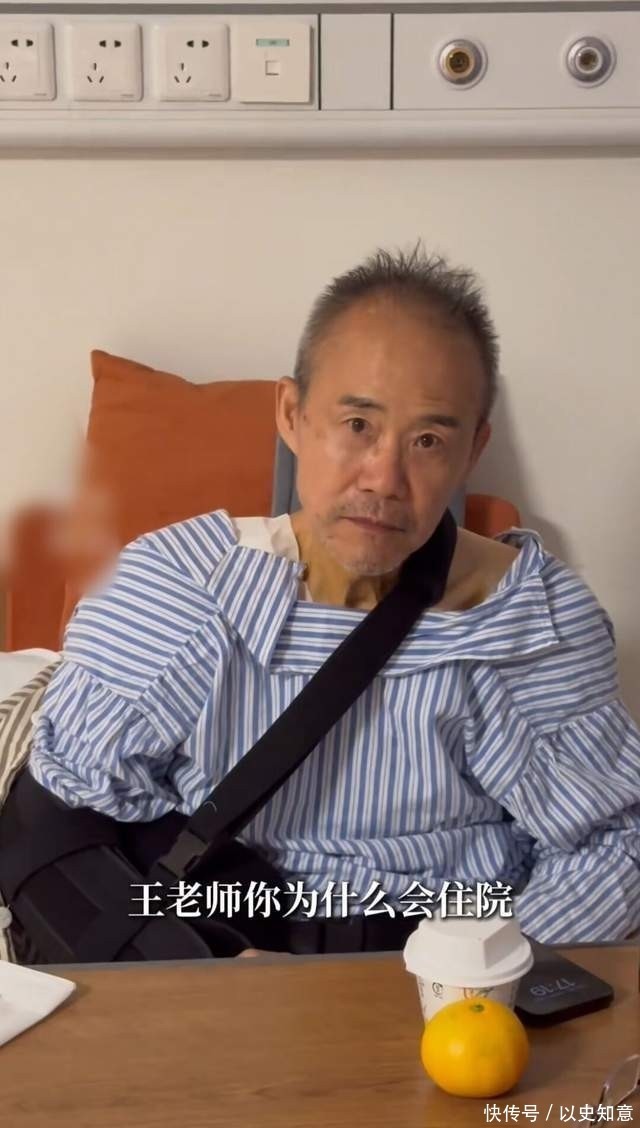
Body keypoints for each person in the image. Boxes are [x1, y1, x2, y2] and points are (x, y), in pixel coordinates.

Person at [26, 244, 640, 950]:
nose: (384, 479)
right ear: (292, 414)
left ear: (472, 450)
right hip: (214, 939)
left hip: (443, 952)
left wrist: (468, 979)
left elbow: (613, 846)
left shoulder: (530, 624)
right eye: (358, 426)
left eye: (428, 440)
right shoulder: (181, 589)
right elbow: (64, 807)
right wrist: (197, 975)